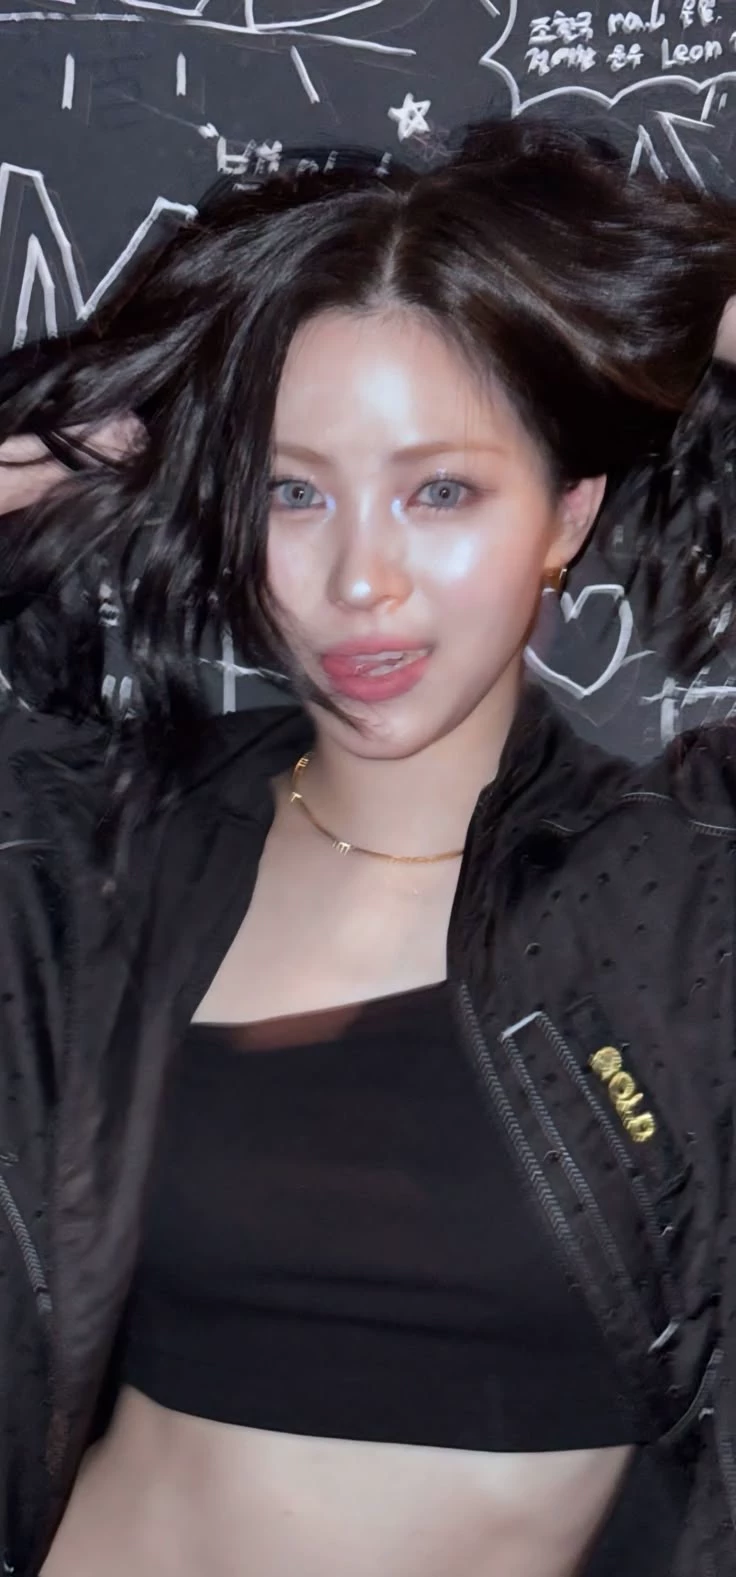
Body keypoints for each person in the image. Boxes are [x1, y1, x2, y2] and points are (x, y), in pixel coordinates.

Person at [0, 118, 735, 1577]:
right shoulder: (97, 849)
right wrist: (97, 432)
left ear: (567, 513)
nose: (360, 579)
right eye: (292, 490)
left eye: (440, 490)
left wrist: (678, 287)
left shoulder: (681, 897)